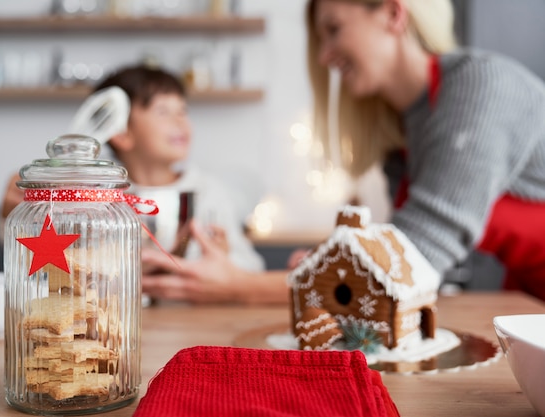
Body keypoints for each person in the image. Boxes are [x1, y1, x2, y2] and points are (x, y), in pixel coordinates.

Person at [141, 0, 545, 303]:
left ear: (392, 13)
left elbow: (412, 262)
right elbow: (400, 253)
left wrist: (240, 287)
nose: (323, 56)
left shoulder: (482, 87)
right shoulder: (400, 129)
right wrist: (335, 260)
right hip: (526, 293)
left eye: (333, 28)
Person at [1, 64, 265, 274]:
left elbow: (251, 269)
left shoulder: (209, 194)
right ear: (121, 133)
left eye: (183, 110)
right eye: (163, 112)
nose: (180, 121)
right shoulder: (91, 199)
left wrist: (225, 257)